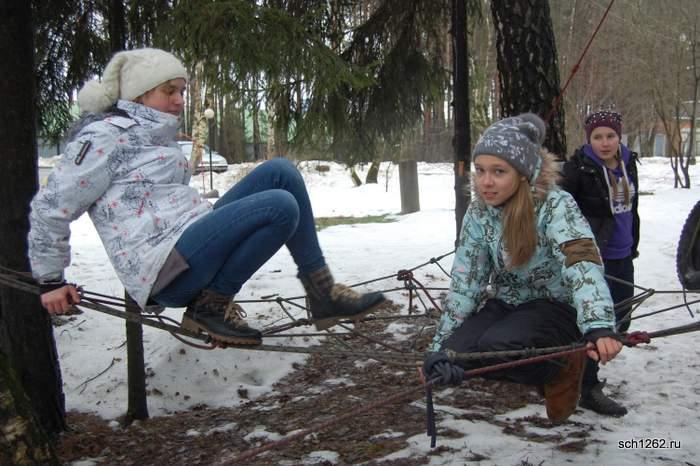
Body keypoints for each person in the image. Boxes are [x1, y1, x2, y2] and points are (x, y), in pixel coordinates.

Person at [28, 48, 385, 346]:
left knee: (281, 172)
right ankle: (210, 307)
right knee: (280, 207)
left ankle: (322, 291)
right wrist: (50, 280)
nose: (179, 100)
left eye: (182, 91)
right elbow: (51, 206)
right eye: (169, 91)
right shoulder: (104, 137)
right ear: (140, 94)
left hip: (189, 241)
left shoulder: (153, 135)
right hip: (164, 268)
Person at [422, 113, 623, 423]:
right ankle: (470, 355)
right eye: (480, 170)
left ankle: (564, 366)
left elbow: (581, 262)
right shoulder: (479, 213)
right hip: (508, 302)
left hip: (556, 306)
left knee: (499, 345)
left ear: (523, 173)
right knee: (457, 355)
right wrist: (438, 349)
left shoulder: (556, 205)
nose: (486, 181)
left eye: (499, 171)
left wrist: (598, 325)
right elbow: (466, 282)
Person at [560, 109, 639, 416]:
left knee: (621, 320)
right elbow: (561, 213)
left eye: (610, 136)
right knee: (597, 324)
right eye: (597, 137)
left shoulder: (629, 163)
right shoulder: (577, 169)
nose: (605, 143)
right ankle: (587, 388)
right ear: (588, 139)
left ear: (619, 137)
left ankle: (579, 373)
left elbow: (631, 208)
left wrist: (633, 243)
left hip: (623, 254)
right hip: (593, 259)